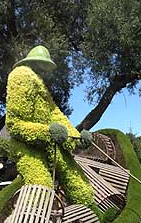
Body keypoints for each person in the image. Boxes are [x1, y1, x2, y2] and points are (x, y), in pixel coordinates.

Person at [5, 45, 95, 209]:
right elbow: (14, 124)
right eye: (42, 66)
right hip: (26, 147)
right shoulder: (21, 76)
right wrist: (47, 132)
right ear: (33, 63)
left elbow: (57, 116)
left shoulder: (42, 88)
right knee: (41, 188)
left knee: (79, 184)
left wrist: (77, 139)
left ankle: (94, 218)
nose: (45, 71)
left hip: (49, 143)